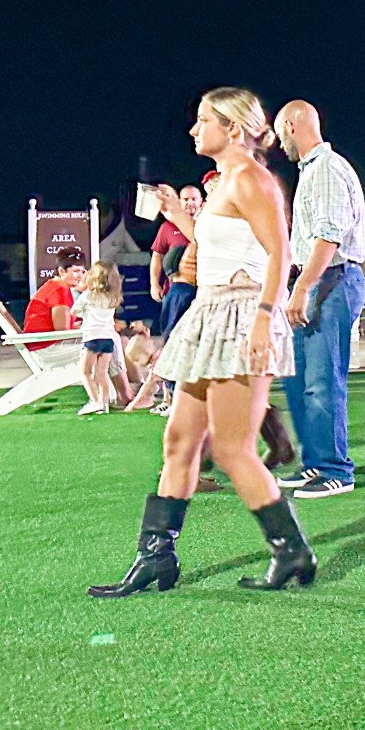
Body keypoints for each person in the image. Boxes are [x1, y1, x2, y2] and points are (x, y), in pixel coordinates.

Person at [89, 88, 315, 599]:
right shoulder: (225, 183)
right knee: (178, 440)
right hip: (209, 312)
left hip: (240, 314)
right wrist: (178, 215)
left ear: (232, 128)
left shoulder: (252, 178)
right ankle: (156, 557)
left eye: (203, 120)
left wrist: (264, 319)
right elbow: (222, 243)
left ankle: (291, 550)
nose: (193, 130)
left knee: (233, 448)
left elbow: (280, 254)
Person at [273, 100, 365, 500]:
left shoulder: (326, 168)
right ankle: (316, 461)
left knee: (322, 380)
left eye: (279, 133)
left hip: (331, 280)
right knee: (300, 379)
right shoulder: (312, 170)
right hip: (320, 279)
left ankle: (335, 470)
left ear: (292, 126)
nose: (279, 143)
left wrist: (302, 287)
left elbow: (329, 235)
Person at [74, 261, 125, 415]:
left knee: (85, 371)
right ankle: (104, 401)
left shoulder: (87, 296)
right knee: (101, 373)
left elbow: (74, 311)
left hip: (92, 338)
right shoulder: (113, 298)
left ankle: (94, 401)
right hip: (108, 339)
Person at [149, 186, 202, 334]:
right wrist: (154, 284)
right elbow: (157, 256)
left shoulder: (207, 226)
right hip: (176, 289)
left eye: (194, 199)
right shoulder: (167, 226)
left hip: (203, 290)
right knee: (171, 333)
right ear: (179, 202)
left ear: (201, 201)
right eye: (186, 199)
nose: (190, 203)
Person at [23, 245, 85, 349]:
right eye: (76, 271)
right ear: (62, 271)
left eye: (82, 271)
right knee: (104, 343)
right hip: (44, 347)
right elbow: (63, 333)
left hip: (42, 343)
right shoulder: (59, 291)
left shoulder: (54, 286)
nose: (80, 276)